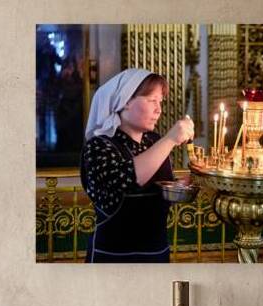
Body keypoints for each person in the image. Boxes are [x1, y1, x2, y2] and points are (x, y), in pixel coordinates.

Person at [80, 68, 193, 263]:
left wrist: (184, 185)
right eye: (151, 101)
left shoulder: (154, 141)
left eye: (160, 102)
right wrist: (171, 139)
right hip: (113, 260)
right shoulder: (99, 146)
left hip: (157, 254)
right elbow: (128, 179)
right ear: (125, 101)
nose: (159, 109)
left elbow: (160, 191)